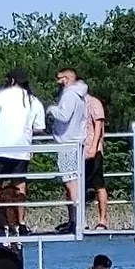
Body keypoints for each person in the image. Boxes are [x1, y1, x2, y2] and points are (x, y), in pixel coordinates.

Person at [0, 70, 45, 232]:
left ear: (11, 80)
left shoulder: (1, 96)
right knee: (20, 186)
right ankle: (21, 222)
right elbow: (40, 127)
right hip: (21, 149)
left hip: (0, 148)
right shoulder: (33, 101)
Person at [49, 68, 90, 232]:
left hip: (67, 143)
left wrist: (51, 109)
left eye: (59, 79)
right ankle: (76, 219)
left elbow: (64, 115)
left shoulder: (69, 94)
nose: (58, 82)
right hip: (76, 142)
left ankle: (77, 221)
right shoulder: (81, 95)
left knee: (70, 182)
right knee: (74, 182)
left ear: (66, 79)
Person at [83, 85, 110, 230]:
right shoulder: (75, 104)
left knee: (98, 184)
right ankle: (79, 221)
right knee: (75, 186)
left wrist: (94, 147)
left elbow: (98, 125)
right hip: (77, 151)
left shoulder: (93, 102)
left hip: (92, 150)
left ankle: (102, 220)